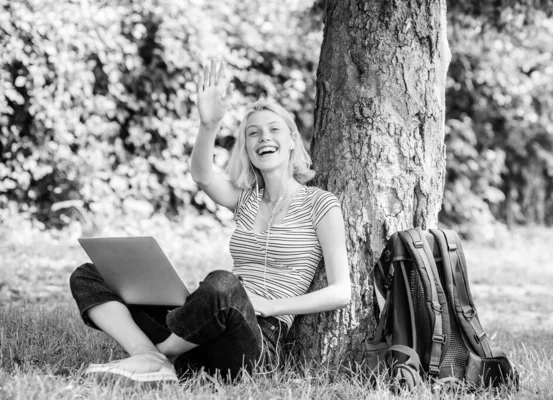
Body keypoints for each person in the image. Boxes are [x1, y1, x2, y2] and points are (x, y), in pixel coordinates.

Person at [69, 60, 351, 384]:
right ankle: (149, 356)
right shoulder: (246, 199)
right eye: (253, 133)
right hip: (203, 329)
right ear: (246, 147)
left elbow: (341, 291)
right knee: (92, 274)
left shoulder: (320, 203)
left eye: (274, 130)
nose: (264, 138)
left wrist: (271, 306)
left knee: (223, 284)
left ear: (291, 141)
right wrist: (209, 124)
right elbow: (202, 175)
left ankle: (159, 356)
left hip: (254, 341)